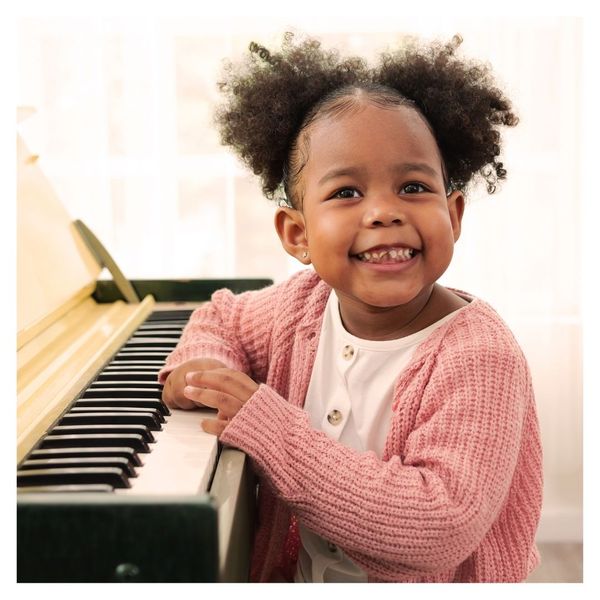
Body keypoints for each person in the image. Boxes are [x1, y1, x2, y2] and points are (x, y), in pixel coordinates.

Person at [159, 32, 543, 583]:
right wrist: (208, 370)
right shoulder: (302, 306)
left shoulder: (479, 356)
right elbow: (220, 319)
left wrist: (270, 426)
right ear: (298, 234)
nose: (385, 212)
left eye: (413, 186)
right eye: (346, 193)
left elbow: (437, 526)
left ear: (454, 215)